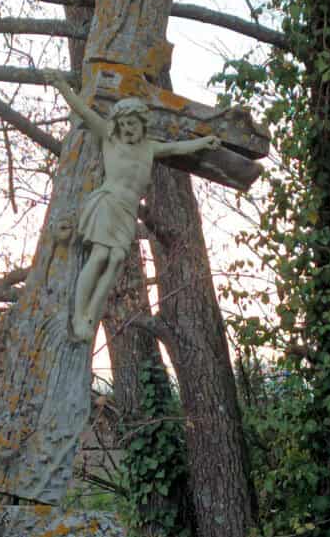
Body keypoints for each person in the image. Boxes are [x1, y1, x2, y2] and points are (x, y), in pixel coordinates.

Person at [45, 72, 219, 342]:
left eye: (132, 124)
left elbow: (177, 148)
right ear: (116, 125)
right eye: (123, 124)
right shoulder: (110, 138)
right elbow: (83, 110)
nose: (127, 129)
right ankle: (79, 317)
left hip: (127, 210)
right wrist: (62, 87)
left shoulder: (149, 148)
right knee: (101, 255)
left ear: (142, 125)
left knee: (115, 260)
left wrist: (203, 142)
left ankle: (91, 313)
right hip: (107, 202)